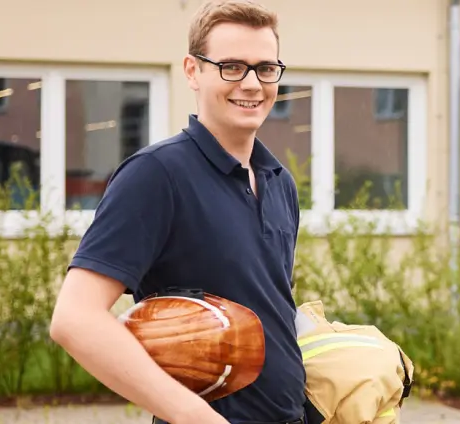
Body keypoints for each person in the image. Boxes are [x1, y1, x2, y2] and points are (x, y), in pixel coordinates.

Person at [47, 1, 312, 423]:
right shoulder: (156, 175)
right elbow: (75, 319)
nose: (252, 84)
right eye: (231, 67)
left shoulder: (280, 181)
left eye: (265, 68)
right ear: (192, 71)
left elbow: (268, 308)